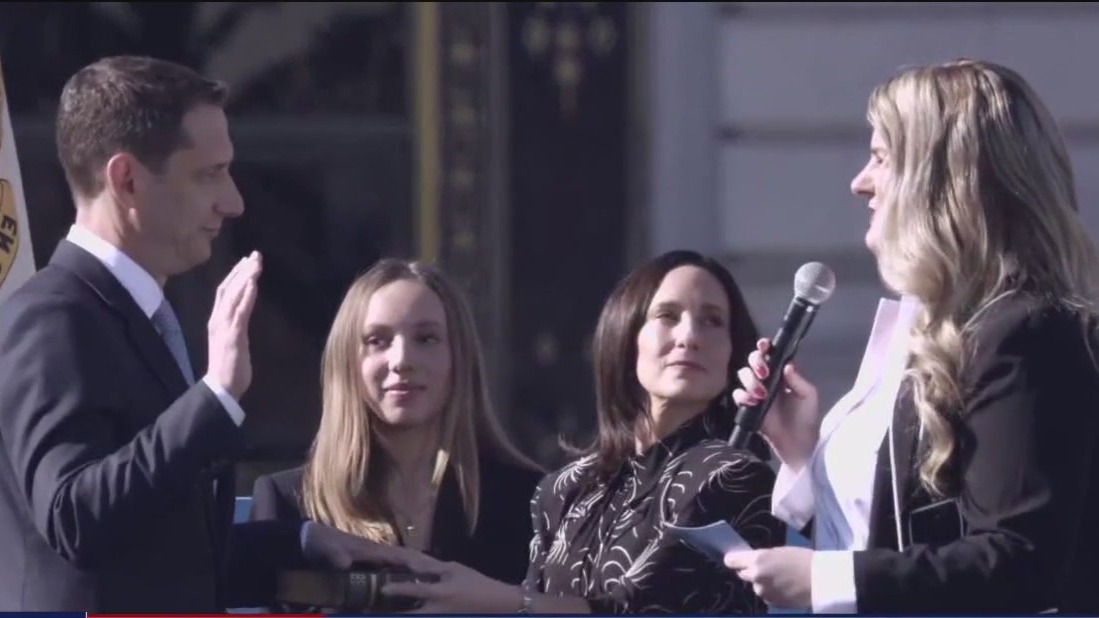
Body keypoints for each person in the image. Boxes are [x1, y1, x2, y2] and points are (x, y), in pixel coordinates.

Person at [0, 55, 411, 613]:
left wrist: (299, 543)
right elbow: (74, 520)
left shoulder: (136, 316)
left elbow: (159, 555)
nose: (233, 202)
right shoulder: (52, 317)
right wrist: (214, 398)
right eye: (209, 174)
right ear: (127, 180)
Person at [726, 58, 1099, 614]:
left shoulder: (1024, 334)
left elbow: (1019, 561)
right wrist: (803, 454)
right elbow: (892, 529)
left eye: (880, 158)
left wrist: (829, 580)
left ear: (943, 179)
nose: (859, 183)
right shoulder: (929, 329)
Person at [381, 250, 787, 614]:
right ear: (627, 335)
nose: (689, 337)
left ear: (735, 351)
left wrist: (497, 599)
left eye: (713, 321)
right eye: (667, 316)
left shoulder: (736, 475)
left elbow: (641, 609)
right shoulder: (565, 489)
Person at [247, 259, 544, 611]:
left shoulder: (530, 501)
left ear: (459, 358)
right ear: (347, 362)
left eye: (426, 338)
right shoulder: (288, 505)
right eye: (377, 340)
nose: (402, 360)